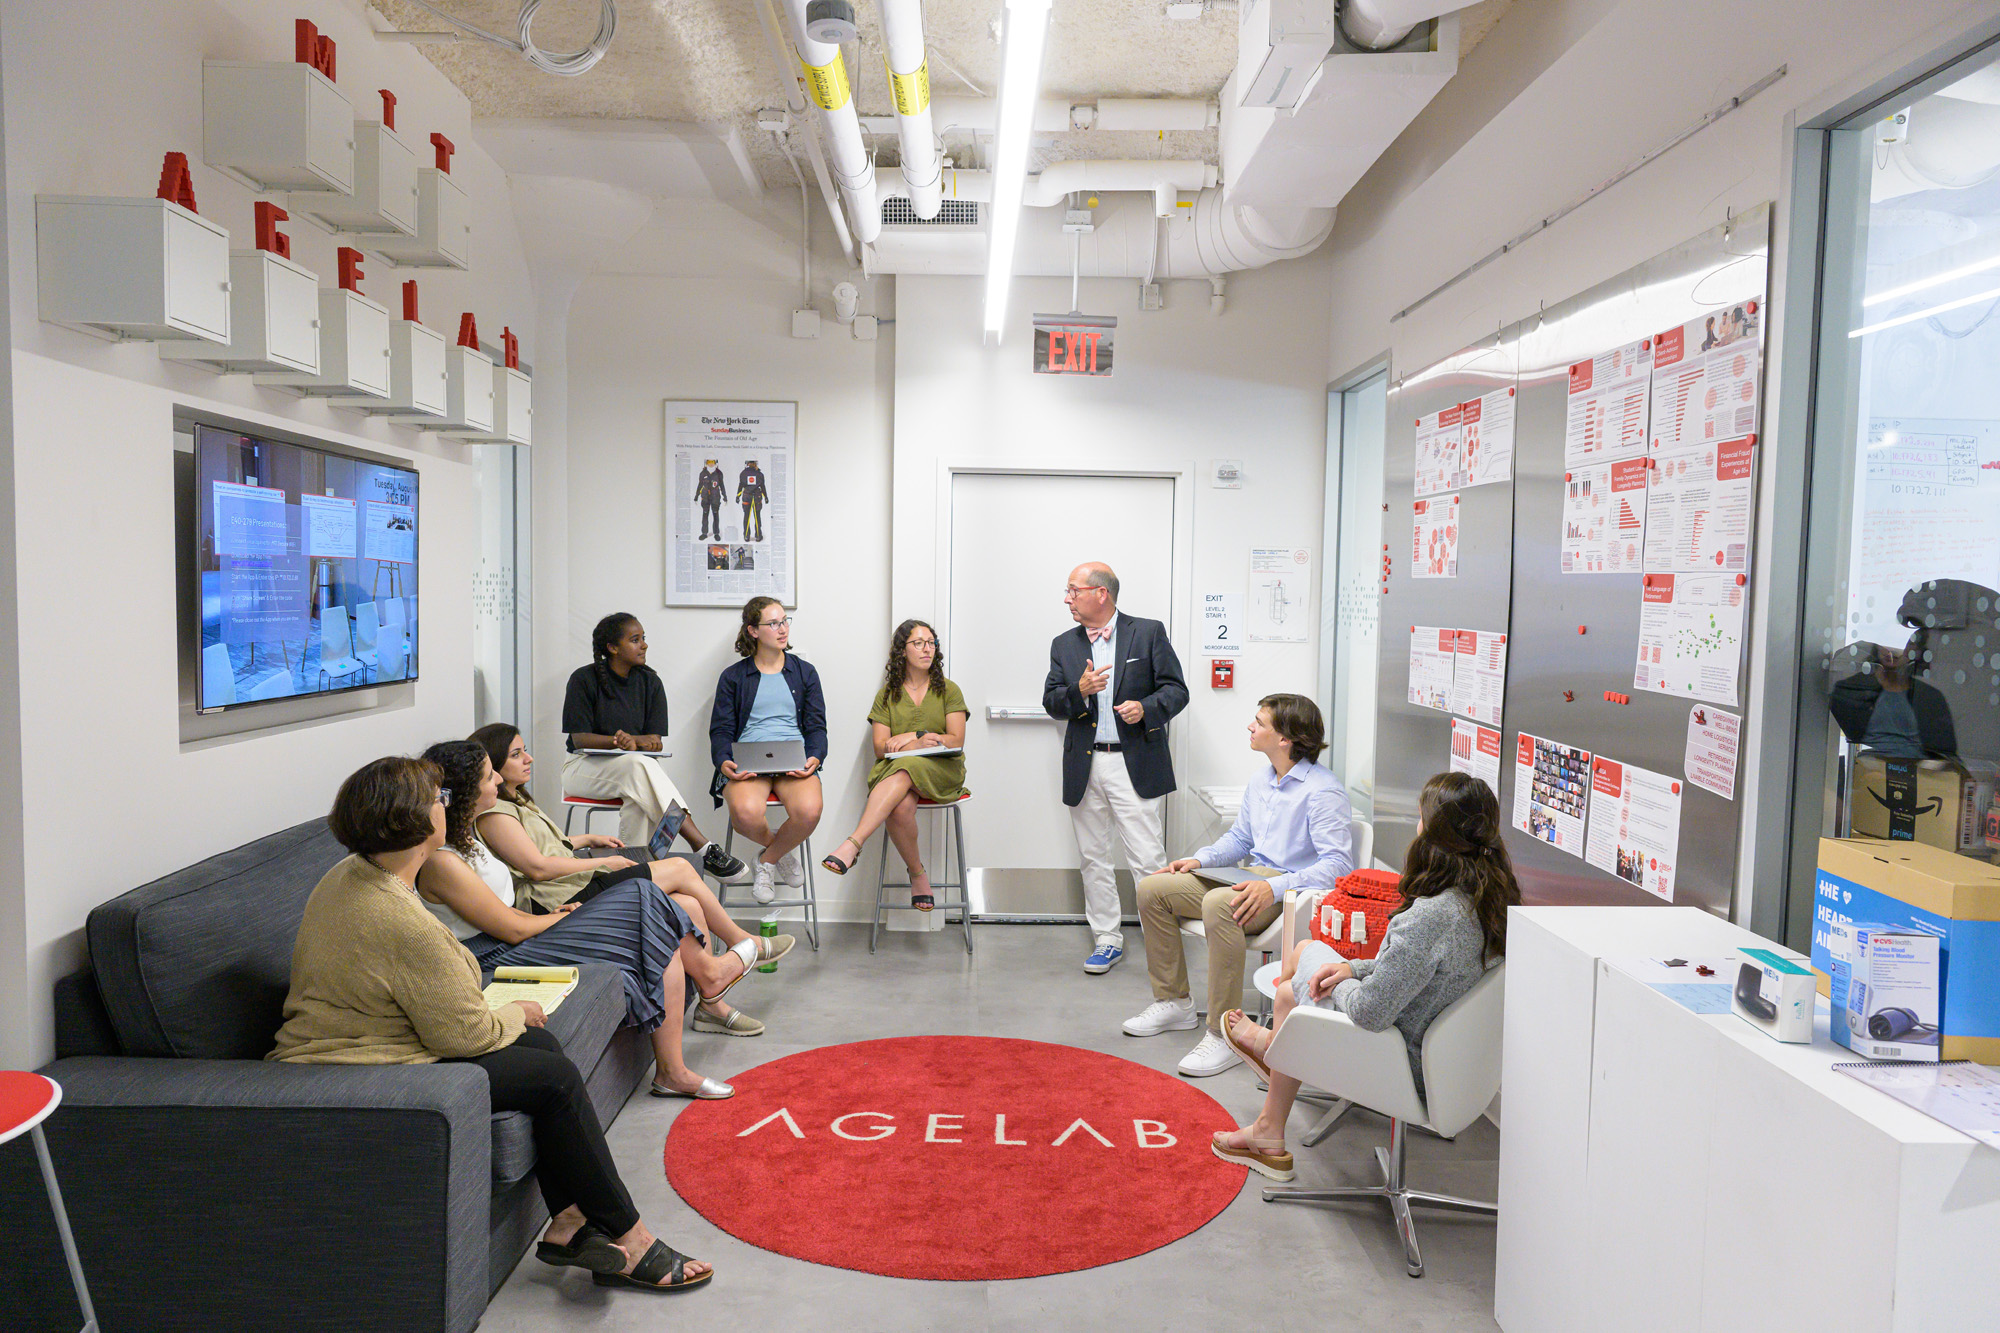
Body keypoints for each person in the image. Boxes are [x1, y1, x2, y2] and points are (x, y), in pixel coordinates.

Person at [269, 755, 718, 1292]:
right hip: (361, 1063)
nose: (446, 805)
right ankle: (630, 1237)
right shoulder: (396, 916)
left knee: (543, 1045)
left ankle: (570, 1222)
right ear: (411, 823)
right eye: (437, 800)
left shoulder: (355, 873)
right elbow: (462, 1036)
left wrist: (514, 1020)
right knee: (554, 1077)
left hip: (378, 1035)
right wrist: (512, 1012)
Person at [1209, 771, 1518, 1182]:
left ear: (1435, 831)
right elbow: (1425, 972)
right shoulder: (1493, 900)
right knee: (1299, 981)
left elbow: (1370, 1012)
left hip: (1400, 1061)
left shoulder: (1432, 915)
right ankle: (1272, 1072)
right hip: (1449, 1062)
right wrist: (1353, 967)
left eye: (1421, 817)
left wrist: (1337, 977)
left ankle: (1272, 1058)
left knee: (1301, 962)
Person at [471, 723, 786, 1037]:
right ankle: (743, 942)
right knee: (679, 868)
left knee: (685, 902)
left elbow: (542, 845)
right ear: (494, 766)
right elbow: (536, 867)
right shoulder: (496, 813)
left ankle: (711, 1005)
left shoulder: (516, 800)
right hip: (557, 900)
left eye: (525, 750)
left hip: (575, 883)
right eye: (516, 754)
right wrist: (606, 861)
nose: (529, 758)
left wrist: (586, 839)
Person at [1124, 694, 1353, 1077]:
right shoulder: (1262, 780)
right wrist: (1200, 859)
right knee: (1153, 889)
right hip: (1250, 880)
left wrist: (1275, 888)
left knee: (1218, 904)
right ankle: (1174, 1002)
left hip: (1290, 893)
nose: (1251, 727)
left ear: (1285, 738)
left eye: (1260, 722)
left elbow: (1337, 866)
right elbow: (1240, 840)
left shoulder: (1322, 790)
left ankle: (1225, 1032)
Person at [1042, 562, 1188, 973]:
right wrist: (1079, 691)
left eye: (1074, 590)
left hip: (1134, 761)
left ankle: (1163, 941)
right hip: (1086, 764)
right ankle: (1107, 938)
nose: (1067, 598)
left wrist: (1146, 708)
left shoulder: (1148, 631)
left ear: (1101, 593)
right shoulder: (1064, 644)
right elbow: (1052, 702)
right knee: (1093, 856)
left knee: (1147, 856)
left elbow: (1176, 690)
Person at [561, 612, 747, 881]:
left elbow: (655, 741)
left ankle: (633, 876)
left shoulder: (650, 682)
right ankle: (702, 846)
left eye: (643, 638)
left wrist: (636, 742)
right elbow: (580, 740)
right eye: (635, 640)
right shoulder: (583, 679)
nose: (644, 645)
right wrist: (616, 741)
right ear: (612, 648)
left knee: (638, 791)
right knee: (638, 766)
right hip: (582, 767)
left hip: (634, 773)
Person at [820, 619, 968, 908]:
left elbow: (956, 740)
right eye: (919, 643)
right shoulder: (888, 694)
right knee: (900, 808)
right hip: (898, 773)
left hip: (943, 770)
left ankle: (853, 842)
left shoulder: (949, 690)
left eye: (931, 643)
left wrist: (916, 735)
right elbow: (880, 746)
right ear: (902, 651)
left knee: (906, 766)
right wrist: (913, 746)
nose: (928, 649)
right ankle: (918, 875)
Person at [710, 596, 826, 905]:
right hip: (748, 759)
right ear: (753, 631)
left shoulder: (805, 673)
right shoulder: (733, 677)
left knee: (809, 811)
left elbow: (817, 727)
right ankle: (780, 852)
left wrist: (814, 756)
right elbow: (720, 730)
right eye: (773, 623)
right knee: (745, 814)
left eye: (785, 620)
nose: (782, 628)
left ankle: (768, 859)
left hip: (793, 760)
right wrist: (724, 762)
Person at [737, 460, 768, 542]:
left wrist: (738, 495)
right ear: (755, 464)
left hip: (747, 496)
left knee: (746, 516)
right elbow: (762, 486)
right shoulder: (760, 474)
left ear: (747, 464)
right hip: (757, 496)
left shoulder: (743, 473)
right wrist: (765, 496)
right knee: (757, 516)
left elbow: (741, 485)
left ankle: (746, 536)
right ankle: (758, 536)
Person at [695, 459, 724, 540]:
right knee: (705, 515)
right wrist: (696, 496)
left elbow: (722, 485)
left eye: (712, 462)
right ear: (706, 463)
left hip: (715, 497)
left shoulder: (719, 473)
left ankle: (716, 533)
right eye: (709, 462)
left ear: (715, 463)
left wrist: (725, 496)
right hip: (705, 497)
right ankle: (704, 533)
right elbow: (700, 485)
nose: (711, 464)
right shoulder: (703, 473)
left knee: (715, 515)